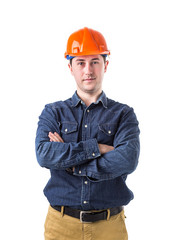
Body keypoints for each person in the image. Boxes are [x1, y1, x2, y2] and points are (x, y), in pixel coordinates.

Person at [35, 27, 140, 240]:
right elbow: (44, 154)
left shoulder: (123, 114)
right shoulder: (53, 112)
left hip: (109, 227)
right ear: (70, 67)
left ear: (105, 65)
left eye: (94, 62)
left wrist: (70, 162)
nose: (88, 70)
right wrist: (97, 148)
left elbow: (127, 160)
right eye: (81, 63)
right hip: (61, 226)